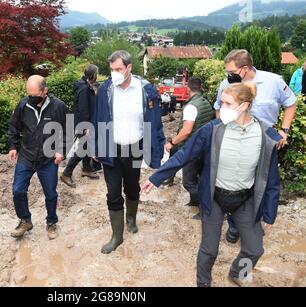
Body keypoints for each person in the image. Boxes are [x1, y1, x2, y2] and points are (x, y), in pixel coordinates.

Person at [142, 82, 281, 287]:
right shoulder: (213, 130)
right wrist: (156, 178)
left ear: (244, 106)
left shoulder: (264, 135)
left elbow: (271, 179)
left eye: (226, 103)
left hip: (245, 199)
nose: (221, 107)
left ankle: (238, 274)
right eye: (221, 102)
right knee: (209, 250)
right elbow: (184, 155)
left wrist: (270, 212)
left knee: (254, 249)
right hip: (214, 196)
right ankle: (203, 283)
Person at [214, 49, 296, 244]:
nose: (228, 75)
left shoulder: (273, 81)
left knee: (263, 184)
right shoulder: (226, 85)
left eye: (232, 71)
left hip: (265, 140)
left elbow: (290, 104)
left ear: (245, 68)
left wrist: (284, 130)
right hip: (236, 141)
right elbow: (219, 109)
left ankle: (255, 221)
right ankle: (234, 225)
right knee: (237, 184)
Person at [91, 50, 165, 254]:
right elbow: (97, 119)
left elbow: (155, 123)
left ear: (129, 68)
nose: (114, 73)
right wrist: (95, 146)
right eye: (112, 69)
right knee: (113, 192)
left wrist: (157, 150)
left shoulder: (145, 90)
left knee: (132, 188)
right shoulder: (106, 89)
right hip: (111, 149)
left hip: (134, 149)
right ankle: (117, 236)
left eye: (119, 69)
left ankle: (131, 219)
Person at [8, 75, 68, 240]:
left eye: (34, 95)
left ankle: (51, 222)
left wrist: (61, 150)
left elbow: (67, 131)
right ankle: (25, 220)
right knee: (17, 190)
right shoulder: (23, 105)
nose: (31, 98)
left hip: (48, 158)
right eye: (29, 94)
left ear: (45, 91)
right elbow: (13, 126)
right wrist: (13, 146)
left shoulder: (58, 107)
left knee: (51, 194)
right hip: (26, 156)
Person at [164, 77, 214, 219]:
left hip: (192, 148)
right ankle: (194, 201)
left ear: (188, 89)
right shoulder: (205, 102)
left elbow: (186, 131)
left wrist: (172, 143)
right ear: (201, 87)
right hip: (203, 146)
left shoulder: (191, 107)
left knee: (188, 182)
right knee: (198, 178)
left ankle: (206, 209)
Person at [61, 65, 100, 188]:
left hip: (85, 123)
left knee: (87, 147)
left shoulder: (85, 86)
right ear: (93, 75)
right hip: (84, 123)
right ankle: (66, 173)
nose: (97, 76)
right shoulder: (83, 89)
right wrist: (86, 126)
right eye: (96, 73)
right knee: (83, 148)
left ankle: (87, 169)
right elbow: (83, 110)